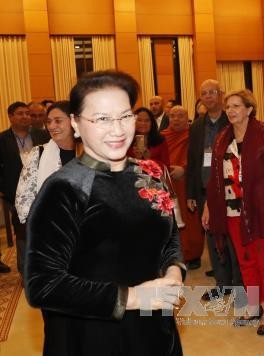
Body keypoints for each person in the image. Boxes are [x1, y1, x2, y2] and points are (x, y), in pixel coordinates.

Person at [24, 70, 186, 356]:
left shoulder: (148, 173)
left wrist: (173, 270)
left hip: (153, 325)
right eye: (102, 119)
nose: (118, 129)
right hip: (91, 335)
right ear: (76, 123)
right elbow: (42, 285)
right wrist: (134, 297)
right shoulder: (65, 188)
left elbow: (169, 235)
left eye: (125, 116)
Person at [203, 89, 264, 336]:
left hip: (260, 211)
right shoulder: (222, 138)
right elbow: (216, 178)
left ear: (249, 109)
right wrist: (208, 205)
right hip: (231, 210)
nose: (231, 110)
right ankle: (254, 304)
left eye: (237, 105)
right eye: (229, 107)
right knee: (245, 262)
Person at [186, 79, 242, 299]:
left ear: (221, 94)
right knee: (212, 237)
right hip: (203, 190)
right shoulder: (197, 125)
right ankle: (222, 283)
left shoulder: (232, 121)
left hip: (229, 189)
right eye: (204, 93)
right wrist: (191, 192)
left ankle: (239, 285)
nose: (208, 96)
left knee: (231, 237)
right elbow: (192, 159)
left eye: (212, 92)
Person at [14, 100, 77, 275]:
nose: (52, 126)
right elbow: (24, 200)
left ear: (73, 121)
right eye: (48, 121)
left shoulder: (90, 152)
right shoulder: (38, 154)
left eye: (58, 121)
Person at [0, 102, 49, 274]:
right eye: (20, 113)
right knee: (22, 233)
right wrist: (5, 190)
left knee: (45, 230)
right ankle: (26, 271)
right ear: (10, 116)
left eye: (27, 113)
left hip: (43, 190)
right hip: (17, 194)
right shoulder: (2, 139)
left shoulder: (43, 135)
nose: (25, 117)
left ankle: (47, 266)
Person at [161, 105, 205, 270]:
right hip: (168, 183)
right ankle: (174, 255)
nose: (176, 119)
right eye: (173, 116)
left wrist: (184, 170)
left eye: (180, 116)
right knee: (171, 220)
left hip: (188, 183)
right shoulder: (162, 136)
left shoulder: (193, 135)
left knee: (190, 219)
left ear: (187, 118)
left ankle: (193, 254)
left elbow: (198, 158)